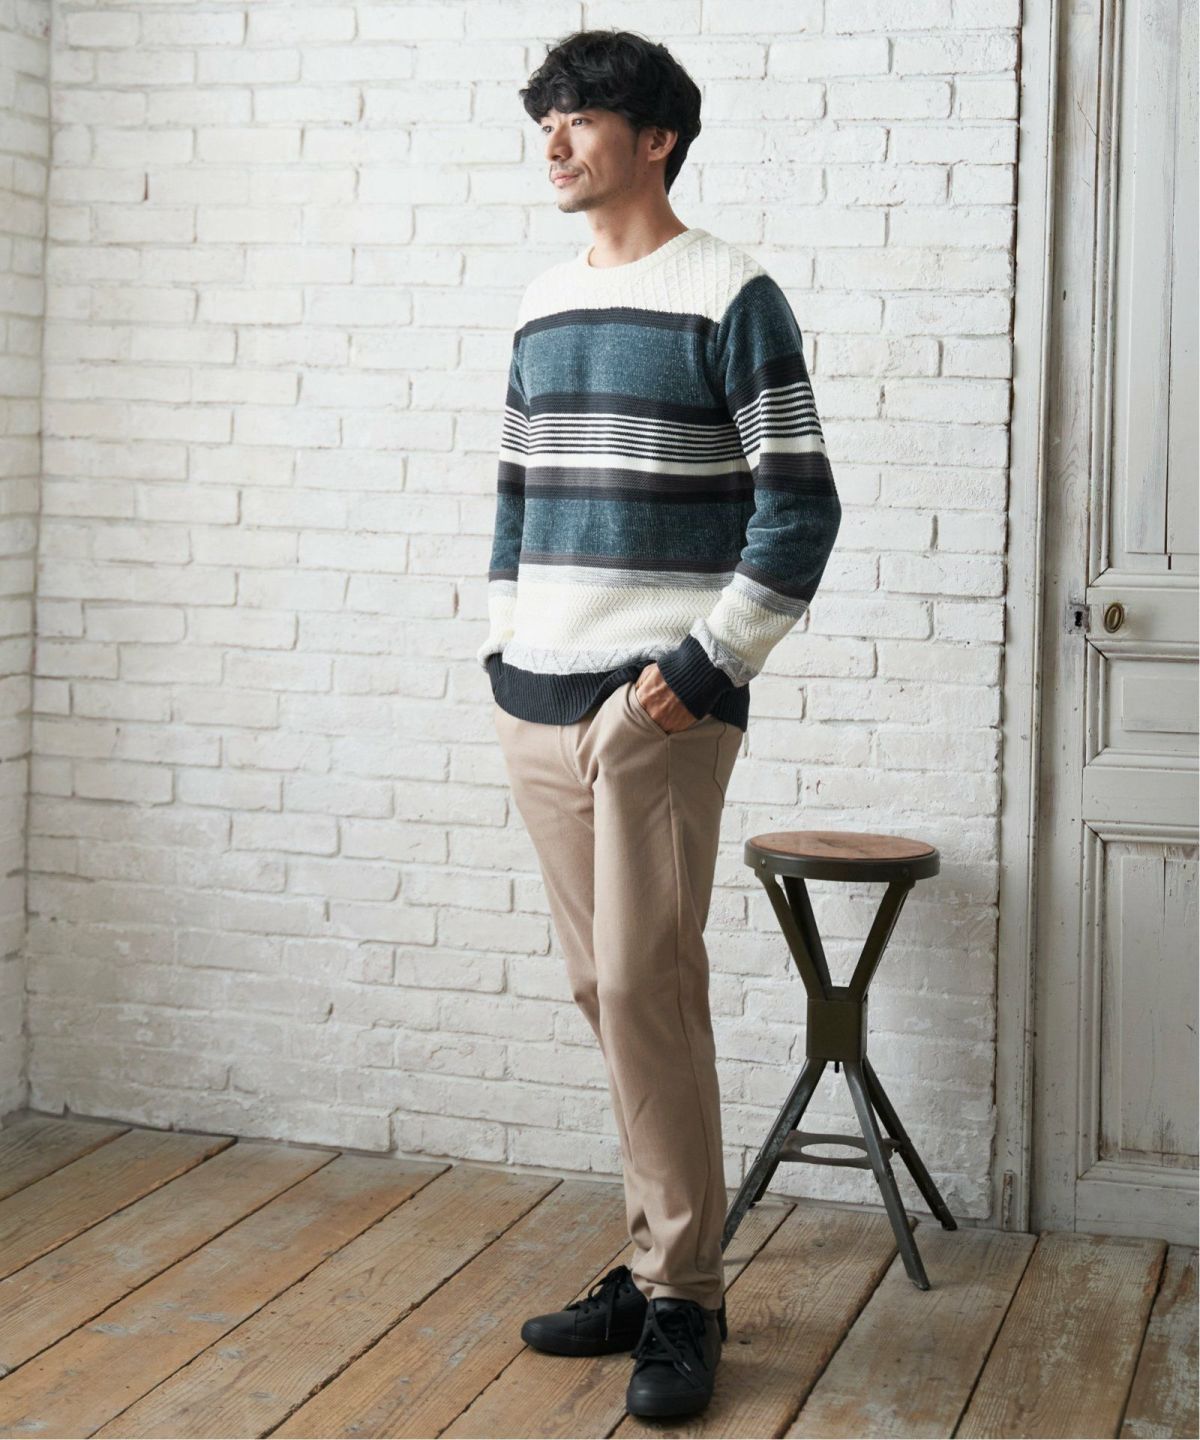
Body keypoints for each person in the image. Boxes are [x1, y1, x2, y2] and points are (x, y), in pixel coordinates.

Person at [476, 28, 842, 1421]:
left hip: (658, 707)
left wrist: (696, 673)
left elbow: (799, 509)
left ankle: (686, 1295)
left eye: (581, 116)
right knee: (604, 994)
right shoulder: (541, 304)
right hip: (537, 696)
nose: (556, 140)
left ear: (658, 138)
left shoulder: (733, 294)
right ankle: (654, 1266)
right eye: (547, 120)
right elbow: (515, 502)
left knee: (647, 988)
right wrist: (505, 649)